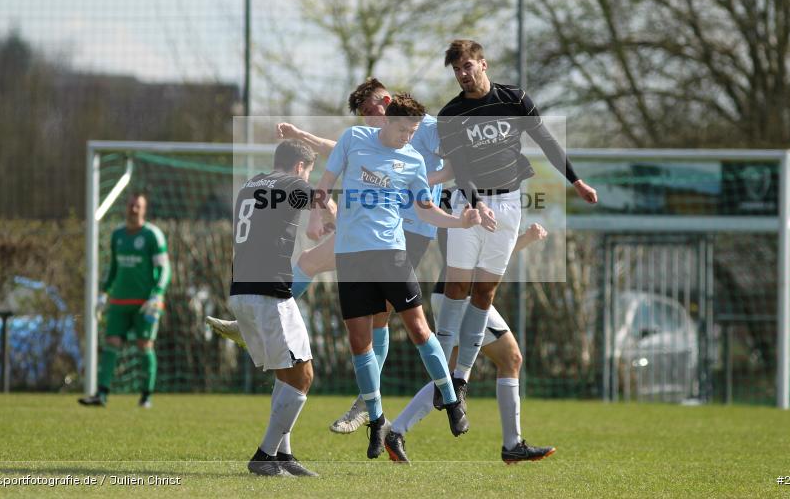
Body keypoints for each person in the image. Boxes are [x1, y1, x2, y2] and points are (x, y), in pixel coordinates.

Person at [208, 77, 452, 434]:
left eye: (371, 111)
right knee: (308, 262)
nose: (369, 119)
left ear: (386, 103)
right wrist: (303, 138)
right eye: (364, 115)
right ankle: (255, 324)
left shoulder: (424, 129)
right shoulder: (369, 137)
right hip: (362, 230)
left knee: (381, 318)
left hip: (406, 233)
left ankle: (366, 404)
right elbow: (340, 149)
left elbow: (455, 163)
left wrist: (440, 191)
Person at [434, 39, 598, 458]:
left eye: (467, 65)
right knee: (457, 288)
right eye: (456, 69)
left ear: (483, 63)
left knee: (485, 294)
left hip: (509, 204)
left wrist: (575, 181)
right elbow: (463, 170)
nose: (462, 74)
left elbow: (545, 141)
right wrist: (474, 204)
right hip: (470, 204)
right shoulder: (451, 115)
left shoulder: (515, 99)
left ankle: (460, 380)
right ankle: (444, 378)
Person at [307, 93, 480, 459]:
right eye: (404, 128)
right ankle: (376, 421)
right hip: (351, 256)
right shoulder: (354, 140)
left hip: (391, 253)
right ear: (386, 121)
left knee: (418, 328)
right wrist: (319, 211)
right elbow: (324, 185)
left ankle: (451, 402)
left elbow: (427, 209)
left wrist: (459, 221)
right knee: (359, 341)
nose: (408, 136)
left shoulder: (413, 159)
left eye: (414, 130)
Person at [385, 223, 556, 464]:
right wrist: (526, 239)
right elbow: (485, 260)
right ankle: (512, 445)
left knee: (449, 376)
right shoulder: (472, 200)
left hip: (452, 294)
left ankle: (396, 432)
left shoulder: (463, 199)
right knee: (511, 358)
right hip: (464, 299)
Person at [231, 139, 336, 477]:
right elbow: (319, 197)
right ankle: (264, 454)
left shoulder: (250, 185)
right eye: (308, 171)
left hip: (241, 292)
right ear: (299, 167)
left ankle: (283, 455)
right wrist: (333, 221)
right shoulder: (292, 182)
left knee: (286, 373)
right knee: (304, 375)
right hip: (269, 293)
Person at [79, 192, 170, 408]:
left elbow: (164, 268)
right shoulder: (117, 235)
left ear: (144, 209)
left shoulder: (152, 236)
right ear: (126, 207)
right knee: (112, 343)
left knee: (144, 345)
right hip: (120, 301)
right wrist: (104, 293)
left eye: (138, 205)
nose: (134, 209)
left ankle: (146, 396)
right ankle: (101, 394)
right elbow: (114, 268)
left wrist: (157, 293)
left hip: (146, 303)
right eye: (131, 205)